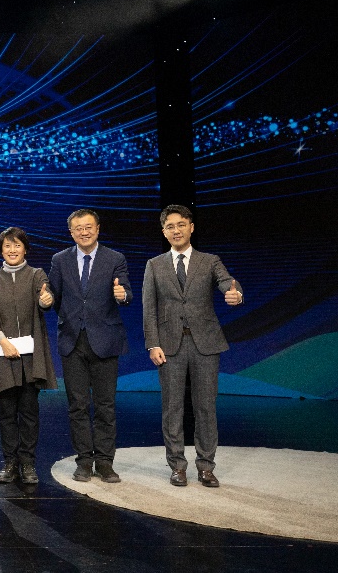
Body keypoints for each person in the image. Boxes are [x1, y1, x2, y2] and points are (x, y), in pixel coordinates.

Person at [143, 204, 243, 488]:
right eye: (170, 226)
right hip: (169, 345)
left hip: (205, 343)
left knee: (206, 407)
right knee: (172, 408)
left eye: (181, 225)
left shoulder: (210, 261)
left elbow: (227, 282)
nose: (176, 230)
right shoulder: (154, 265)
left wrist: (235, 294)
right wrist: (152, 344)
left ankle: (206, 467)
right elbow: (149, 309)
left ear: (191, 227)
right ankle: (177, 466)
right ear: (164, 232)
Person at [49, 209, 131, 484]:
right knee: (78, 406)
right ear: (71, 232)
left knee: (106, 406)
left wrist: (122, 294)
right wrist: (46, 302)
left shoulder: (115, 259)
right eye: (78, 228)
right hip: (72, 340)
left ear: (97, 229)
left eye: (88, 227)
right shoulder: (60, 260)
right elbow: (53, 297)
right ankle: (84, 461)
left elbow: (126, 293)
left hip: (105, 340)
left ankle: (105, 463)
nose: (84, 232)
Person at [0, 226, 57, 485]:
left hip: (30, 358)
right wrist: (3, 342)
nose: (12, 250)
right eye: (7, 246)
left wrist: (46, 300)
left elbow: (45, 300)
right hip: (2, 355)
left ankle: (28, 463)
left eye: (17, 245)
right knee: (7, 413)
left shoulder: (36, 275)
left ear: (25, 249)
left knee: (29, 413)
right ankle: (10, 463)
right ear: (1, 250)